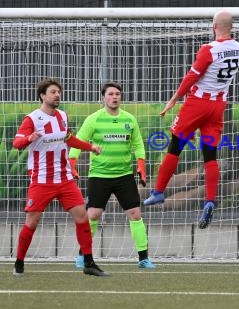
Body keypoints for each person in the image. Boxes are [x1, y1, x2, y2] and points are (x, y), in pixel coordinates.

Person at [143, 10, 239, 230]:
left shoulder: (209, 50)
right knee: (210, 155)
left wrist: (173, 100)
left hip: (197, 104)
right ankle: (209, 200)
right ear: (232, 27)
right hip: (218, 106)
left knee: (174, 147)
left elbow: (191, 77)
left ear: (213, 25)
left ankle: (158, 192)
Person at [12, 78, 109, 277]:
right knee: (32, 222)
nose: (57, 95)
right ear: (42, 95)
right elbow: (16, 143)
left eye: (59, 92)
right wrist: (29, 138)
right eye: (53, 92)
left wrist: (90, 147)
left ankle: (89, 263)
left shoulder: (62, 116)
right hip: (41, 180)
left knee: (82, 216)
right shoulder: (32, 119)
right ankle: (19, 262)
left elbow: (68, 138)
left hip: (64, 178)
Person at [69, 82, 155, 269]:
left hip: (124, 175)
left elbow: (138, 144)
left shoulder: (130, 119)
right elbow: (78, 141)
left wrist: (141, 165)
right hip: (99, 175)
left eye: (117, 94)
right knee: (93, 214)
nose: (114, 97)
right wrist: (73, 164)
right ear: (103, 97)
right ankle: (83, 255)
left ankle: (143, 258)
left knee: (135, 214)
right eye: (110, 94)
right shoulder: (93, 119)